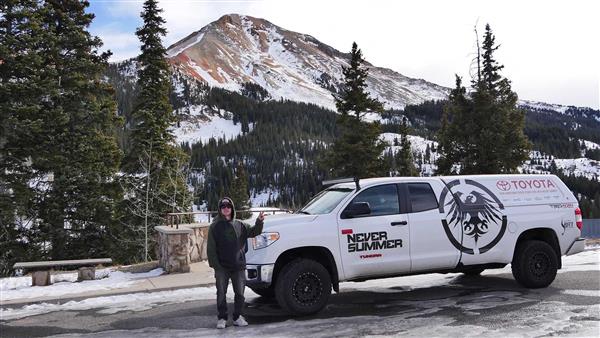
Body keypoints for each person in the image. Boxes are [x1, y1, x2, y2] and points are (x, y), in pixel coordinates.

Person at [207, 197, 265, 329]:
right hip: (221, 267)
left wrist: (259, 221)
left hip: (238, 266)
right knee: (221, 293)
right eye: (223, 206)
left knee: (240, 293)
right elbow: (211, 248)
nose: (226, 208)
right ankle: (222, 318)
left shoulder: (240, 224)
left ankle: (238, 316)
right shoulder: (215, 227)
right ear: (220, 209)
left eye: (228, 206)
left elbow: (255, 231)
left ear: (232, 208)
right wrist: (216, 265)